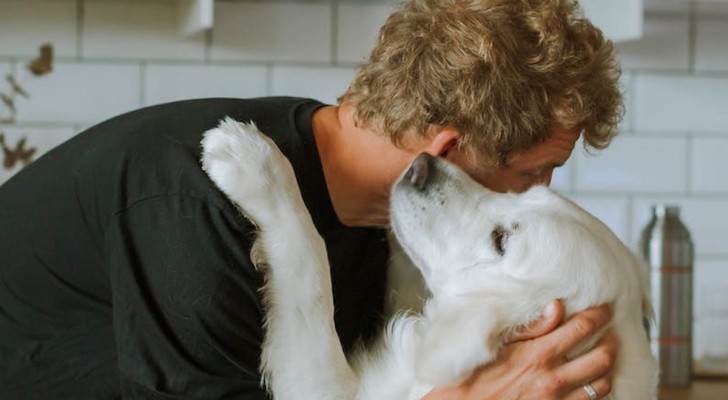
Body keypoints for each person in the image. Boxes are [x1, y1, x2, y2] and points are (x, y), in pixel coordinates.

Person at [0, 0, 623, 399]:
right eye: (536, 173)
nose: (541, 197)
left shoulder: (381, 221)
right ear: (445, 152)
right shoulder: (199, 204)